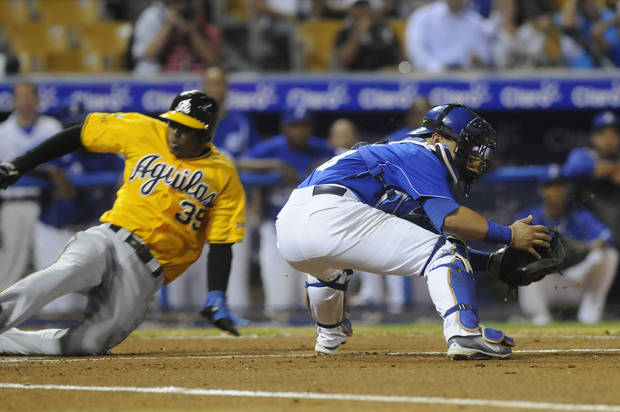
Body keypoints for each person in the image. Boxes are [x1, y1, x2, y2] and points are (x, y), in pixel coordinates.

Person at [276, 103, 551, 359]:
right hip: (331, 214)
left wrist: (488, 262)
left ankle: (328, 336)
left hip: (291, 224)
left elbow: (432, 236)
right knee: (445, 253)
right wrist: (510, 235)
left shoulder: (398, 158)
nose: (473, 155)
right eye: (466, 145)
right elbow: (450, 221)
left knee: (327, 269)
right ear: (437, 139)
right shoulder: (421, 153)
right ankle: (464, 333)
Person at [0, 90, 246, 355]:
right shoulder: (143, 129)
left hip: (146, 274)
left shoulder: (224, 175)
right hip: (110, 240)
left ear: (205, 135)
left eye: (186, 129)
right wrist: (20, 164)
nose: (175, 132)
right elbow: (80, 133)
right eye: (174, 122)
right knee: (64, 272)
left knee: (89, 344)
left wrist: (216, 295)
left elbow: (222, 242)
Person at [162, 67, 260, 313]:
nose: (216, 89)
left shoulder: (240, 121)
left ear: (226, 88)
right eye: (210, 84)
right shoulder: (187, 121)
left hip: (228, 208)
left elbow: (256, 163)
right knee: (184, 283)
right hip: (188, 210)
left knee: (233, 282)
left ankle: (231, 335)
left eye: (220, 84)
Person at [237, 107, 334, 316]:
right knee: (280, 300)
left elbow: (345, 160)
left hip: (313, 232)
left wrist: (320, 167)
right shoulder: (272, 149)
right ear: (284, 128)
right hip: (275, 230)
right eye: (294, 126)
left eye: (304, 126)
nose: (299, 131)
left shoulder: (320, 150)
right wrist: (274, 168)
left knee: (310, 298)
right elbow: (239, 166)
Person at [34, 101, 124, 314]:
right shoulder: (54, 150)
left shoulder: (108, 154)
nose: (79, 133)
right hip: (55, 233)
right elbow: (27, 163)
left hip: (90, 230)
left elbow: (129, 171)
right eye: (73, 127)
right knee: (55, 303)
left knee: (87, 303)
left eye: (83, 126)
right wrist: (51, 173)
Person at [518, 168, 618, 325]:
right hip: (547, 284)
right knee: (524, 255)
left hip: (575, 281)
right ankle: (539, 316)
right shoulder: (531, 216)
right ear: (542, 190)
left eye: (560, 185)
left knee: (608, 255)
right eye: (551, 185)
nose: (557, 190)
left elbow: (606, 237)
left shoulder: (579, 215)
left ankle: (589, 313)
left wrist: (582, 247)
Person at [328, 118, 406, 314]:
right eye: (340, 133)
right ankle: (371, 296)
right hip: (349, 216)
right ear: (331, 139)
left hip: (377, 213)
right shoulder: (327, 161)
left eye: (348, 132)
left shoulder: (367, 155)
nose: (345, 137)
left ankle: (398, 302)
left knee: (391, 256)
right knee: (362, 258)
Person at [0, 82, 62, 289]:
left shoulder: (52, 127)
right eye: (21, 96)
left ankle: (47, 316)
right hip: (13, 204)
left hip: (47, 203)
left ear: (37, 99)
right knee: (10, 264)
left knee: (48, 263)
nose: (26, 101)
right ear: (14, 101)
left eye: (30, 96)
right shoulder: (3, 131)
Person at [562, 111, 620, 250]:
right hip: (587, 231)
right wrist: (612, 169)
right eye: (603, 133)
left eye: (613, 134)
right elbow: (571, 170)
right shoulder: (582, 155)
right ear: (594, 137)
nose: (608, 139)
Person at [131, 0, 221, 74]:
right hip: (167, 81)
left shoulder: (209, 30)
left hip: (197, 81)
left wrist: (191, 32)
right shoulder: (160, 21)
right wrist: (169, 25)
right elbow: (150, 55)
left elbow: (212, 60)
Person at [405, 0, 491, 73]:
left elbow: (484, 54)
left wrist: (478, 59)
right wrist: (438, 69)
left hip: (466, 77)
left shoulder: (475, 21)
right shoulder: (422, 17)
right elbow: (416, 53)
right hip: (430, 77)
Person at [334, 0, 402, 71]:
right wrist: (359, 31)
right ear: (351, 9)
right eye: (359, 7)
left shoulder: (386, 29)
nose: (363, 11)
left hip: (387, 76)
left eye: (365, 6)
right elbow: (344, 61)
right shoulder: (345, 32)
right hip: (358, 76)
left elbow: (400, 57)